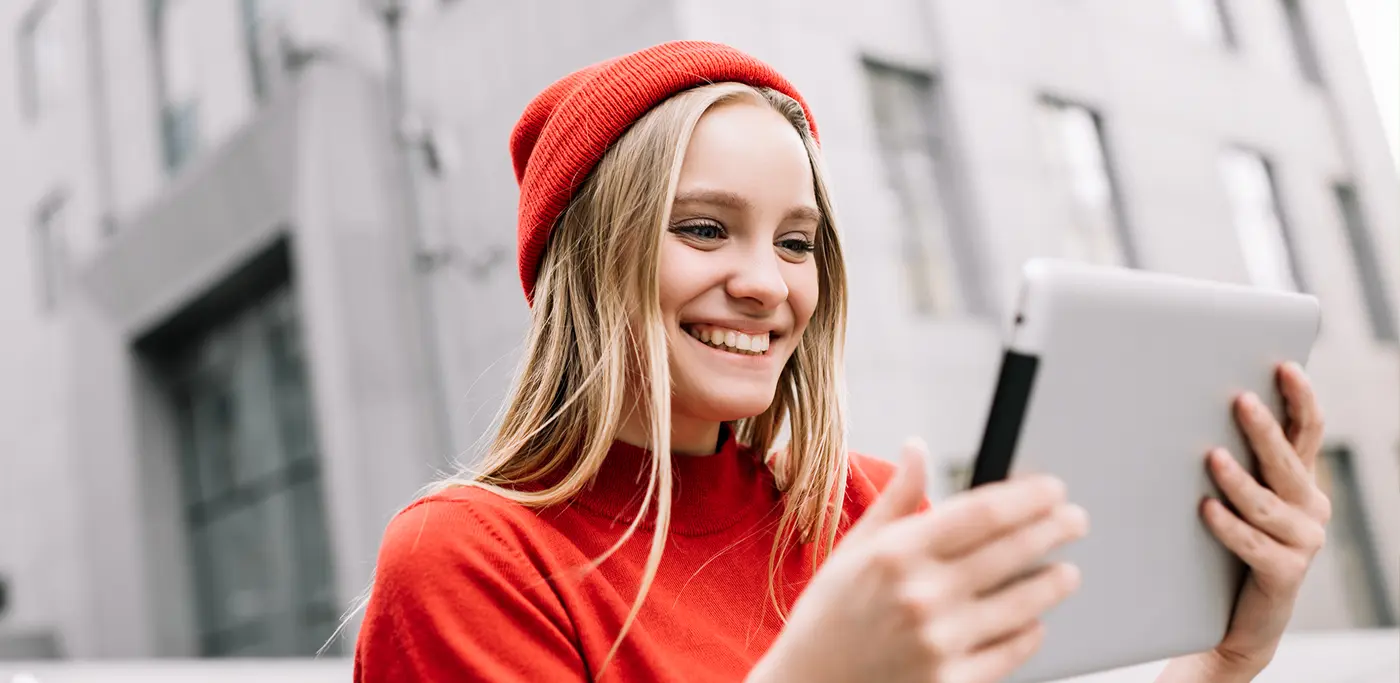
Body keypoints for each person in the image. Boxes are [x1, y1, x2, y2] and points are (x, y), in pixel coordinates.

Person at [351, 41, 1331, 683]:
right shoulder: (472, 562)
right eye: (702, 228)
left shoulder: (867, 514)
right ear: (586, 260)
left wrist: (1224, 654)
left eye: (793, 242)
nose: (766, 285)